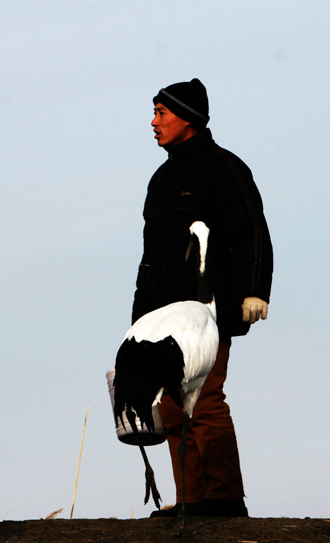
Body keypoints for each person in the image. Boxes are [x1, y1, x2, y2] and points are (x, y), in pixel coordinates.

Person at [132, 78, 273, 518]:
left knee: (206, 397)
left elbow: (251, 231)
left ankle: (224, 498)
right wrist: (137, 326)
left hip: (209, 314)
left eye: (161, 113)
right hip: (162, 321)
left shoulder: (224, 169)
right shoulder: (161, 178)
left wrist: (255, 291)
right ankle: (191, 500)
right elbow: (150, 261)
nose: (153, 122)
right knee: (172, 406)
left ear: (187, 119)